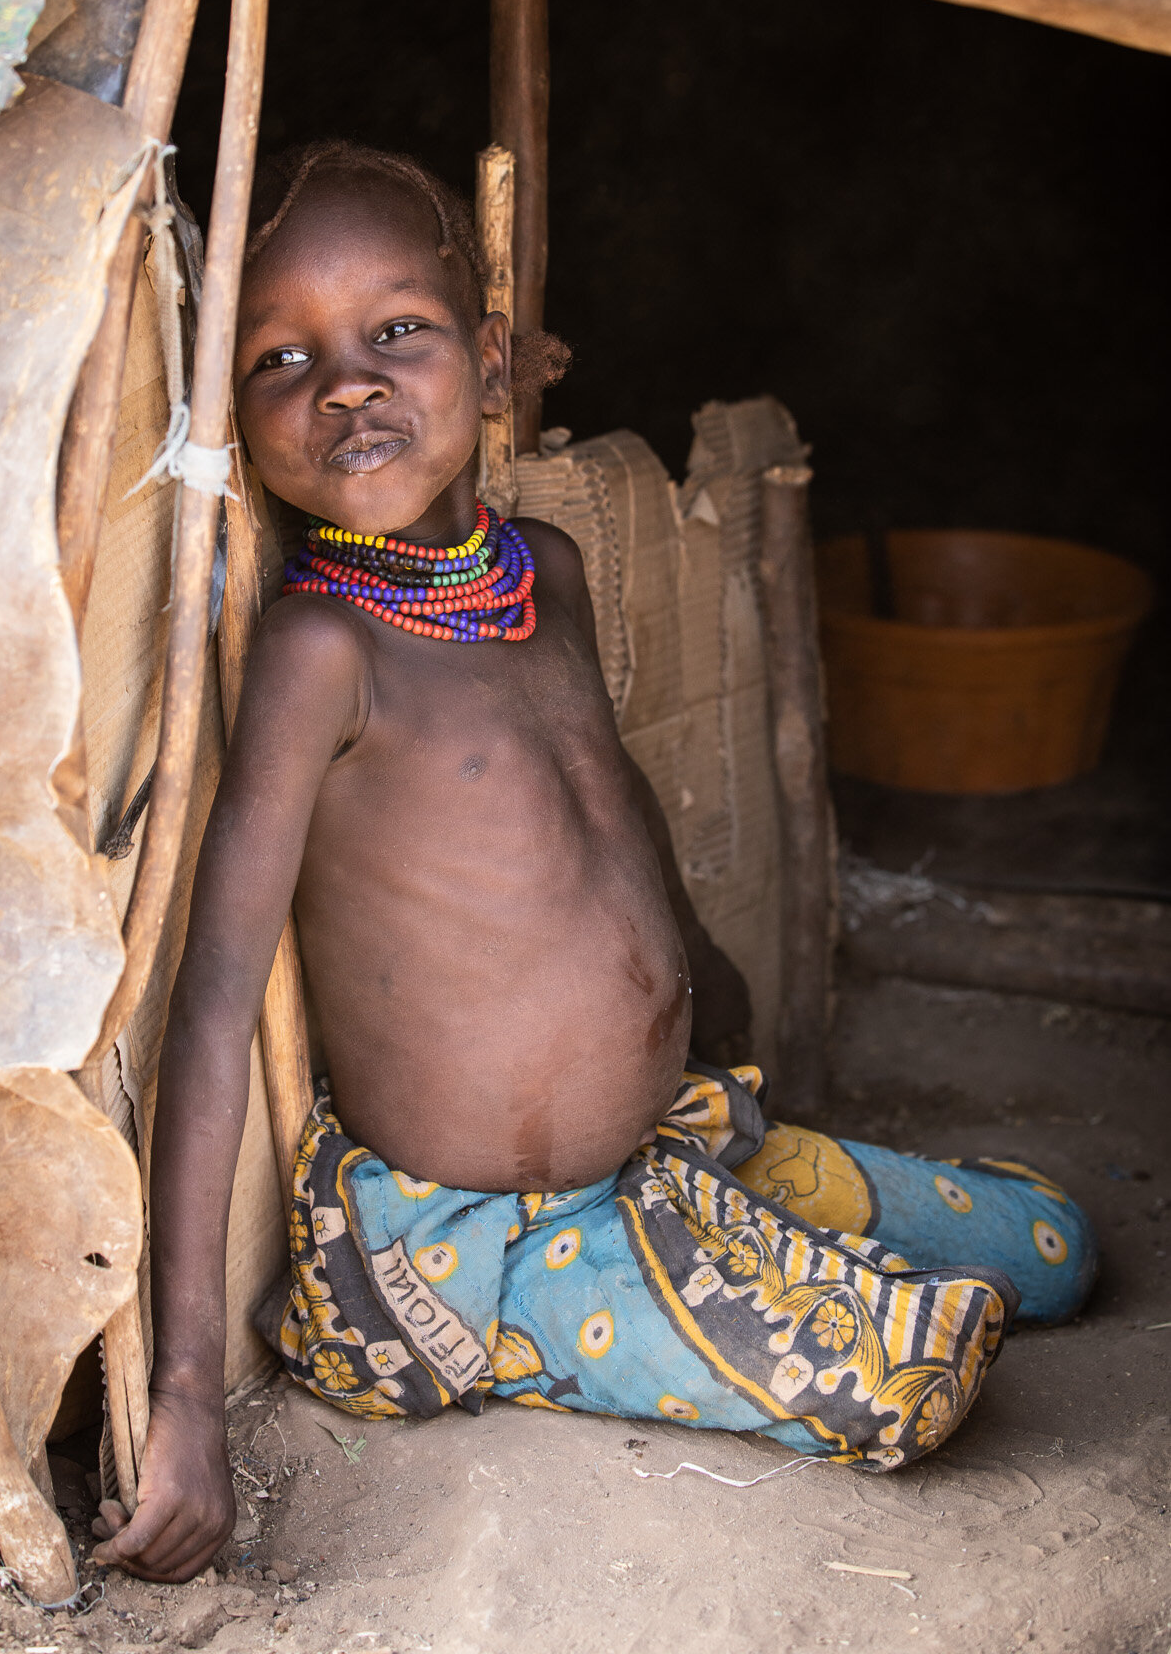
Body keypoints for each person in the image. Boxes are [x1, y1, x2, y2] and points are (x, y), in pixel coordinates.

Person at [93, 142, 1095, 1583]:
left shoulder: (542, 570)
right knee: (902, 1375)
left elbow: (606, 806)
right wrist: (186, 1396)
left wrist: (709, 990)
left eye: (398, 334)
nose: (346, 384)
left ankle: (729, 1219)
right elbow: (209, 1008)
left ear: (490, 363)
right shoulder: (322, 655)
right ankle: (705, 1272)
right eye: (277, 359)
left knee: (1054, 1247)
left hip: (660, 1143)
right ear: (233, 417)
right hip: (467, 1244)